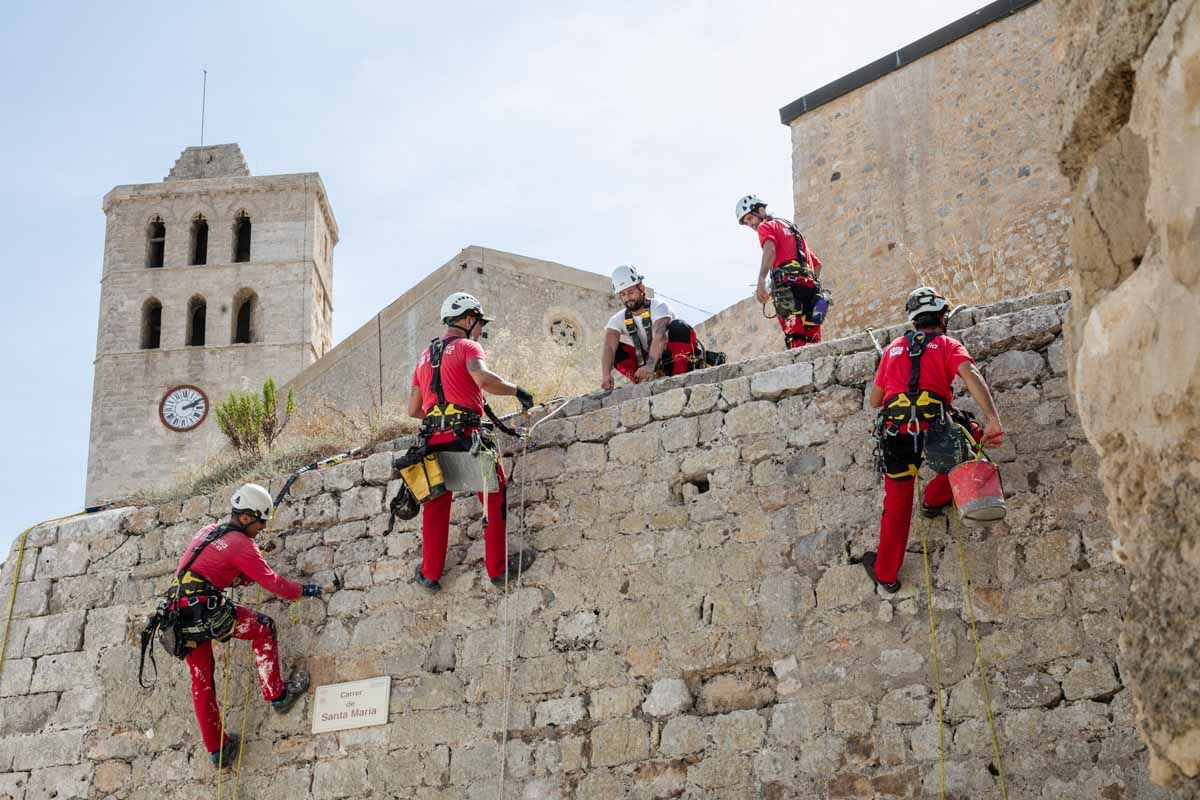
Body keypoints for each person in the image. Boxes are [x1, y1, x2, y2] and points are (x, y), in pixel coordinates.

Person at [862, 287, 1005, 592]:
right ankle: (933, 500)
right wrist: (993, 419)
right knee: (968, 444)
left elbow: (876, 401)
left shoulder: (892, 351)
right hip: (936, 427)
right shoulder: (946, 344)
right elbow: (970, 374)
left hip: (897, 434)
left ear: (913, 321)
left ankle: (886, 574)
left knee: (897, 501)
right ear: (942, 316)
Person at [174, 483, 322, 768]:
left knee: (201, 680)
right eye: (260, 522)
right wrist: (303, 591)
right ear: (245, 518)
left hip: (178, 614)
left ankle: (217, 751)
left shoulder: (207, 531)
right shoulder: (242, 544)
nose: (262, 528)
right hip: (206, 610)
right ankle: (277, 695)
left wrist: (240, 574)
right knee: (264, 628)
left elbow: (209, 569)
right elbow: (274, 583)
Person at [407, 292, 537, 592]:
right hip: (466, 437)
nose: (480, 330)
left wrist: (440, 411)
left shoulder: (423, 358)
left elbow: (413, 410)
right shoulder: (468, 346)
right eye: (478, 323)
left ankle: (429, 574)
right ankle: (497, 569)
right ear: (467, 319)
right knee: (494, 496)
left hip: (431, 442)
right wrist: (518, 391)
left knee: (435, 503)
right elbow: (483, 379)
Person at [600, 265, 723, 390]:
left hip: (677, 358)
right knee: (615, 349)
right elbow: (609, 347)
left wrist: (650, 365)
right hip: (653, 365)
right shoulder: (618, 319)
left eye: (631, 292)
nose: (627, 298)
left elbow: (660, 334)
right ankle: (644, 381)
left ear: (641, 288)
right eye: (623, 294)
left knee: (679, 326)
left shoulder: (659, 307)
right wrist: (606, 375)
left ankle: (679, 378)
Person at [736, 194, 827, 349]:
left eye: (750, 218)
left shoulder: (766, 227)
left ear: (761, 210)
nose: (750, 224)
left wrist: (761, 281)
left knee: (796, 337)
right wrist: (805, 282)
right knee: (813, 340)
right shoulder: (793, 230)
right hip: (812, 292)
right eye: (746, 222)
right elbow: (817, 265)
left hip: (789, 293)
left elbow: (769, 250)